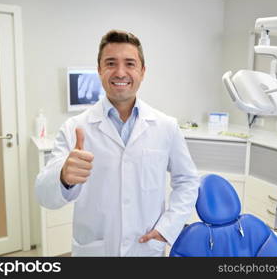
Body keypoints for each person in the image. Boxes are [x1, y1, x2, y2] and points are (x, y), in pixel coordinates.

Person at [35, 29, 199, 256]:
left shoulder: (166, 126)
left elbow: (188, 181)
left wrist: (167, 228)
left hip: (145, 247)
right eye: (111, 63)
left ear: (142, 71)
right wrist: (63, 177)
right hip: (95, 250)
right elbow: (44, 196)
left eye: (130, 64)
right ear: (99, 70)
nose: (120, 72)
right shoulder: (75, 128)